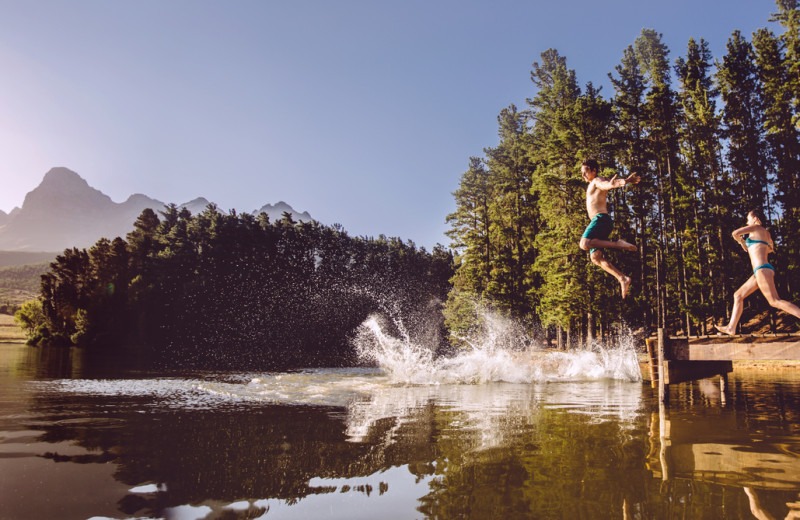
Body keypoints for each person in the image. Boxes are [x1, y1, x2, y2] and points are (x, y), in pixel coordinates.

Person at [715, 209, 800, 335]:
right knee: (738, 295)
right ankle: (731, 328)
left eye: (748, 218)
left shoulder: (755, 227)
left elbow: (735, 233)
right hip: (762, 270)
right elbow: (771, 249)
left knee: (774, 301)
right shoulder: (766, 233)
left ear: (755, 219)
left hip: (761, 270)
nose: (747, 221)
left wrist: (742, 242)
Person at [579, 159, 640, 299]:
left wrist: (613, 184)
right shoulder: (595, 182)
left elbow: (605, 184)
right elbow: (611, 182)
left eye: (585, 172)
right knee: (595, 257)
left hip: (600, 219)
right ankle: (622, 278)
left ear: (594, 170)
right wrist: (625, 181)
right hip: (602, 222)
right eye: (582, 173)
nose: (583, 175)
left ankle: (617, 244)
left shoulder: (596, 181)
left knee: (584, 244)